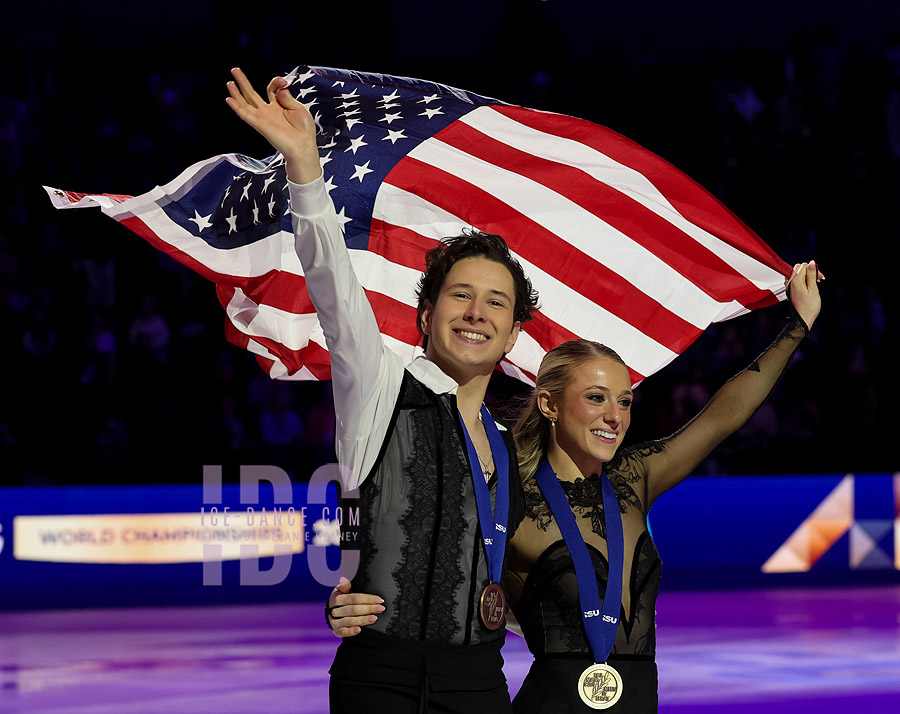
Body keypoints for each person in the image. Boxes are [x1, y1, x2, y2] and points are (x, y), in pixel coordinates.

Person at [330, 260, 822, 712]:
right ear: (548, 405)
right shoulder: (510, 493)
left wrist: (796, 327)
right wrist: (345, 591)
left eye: (625, 401)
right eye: (595, 398)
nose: (615, 416)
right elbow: (392, 524)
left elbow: (721, 418)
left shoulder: (636, 477)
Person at [225, 68, 540, 712]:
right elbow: (333, 284)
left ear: (512, 336)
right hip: (380, 679)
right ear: (425, 316)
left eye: (496, 304)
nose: (476, 312)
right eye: (461, 296)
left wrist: (346, 564)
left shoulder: (511, 446)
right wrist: (306, 170)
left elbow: (359, 498)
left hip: (479, 683)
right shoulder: (379, 382)